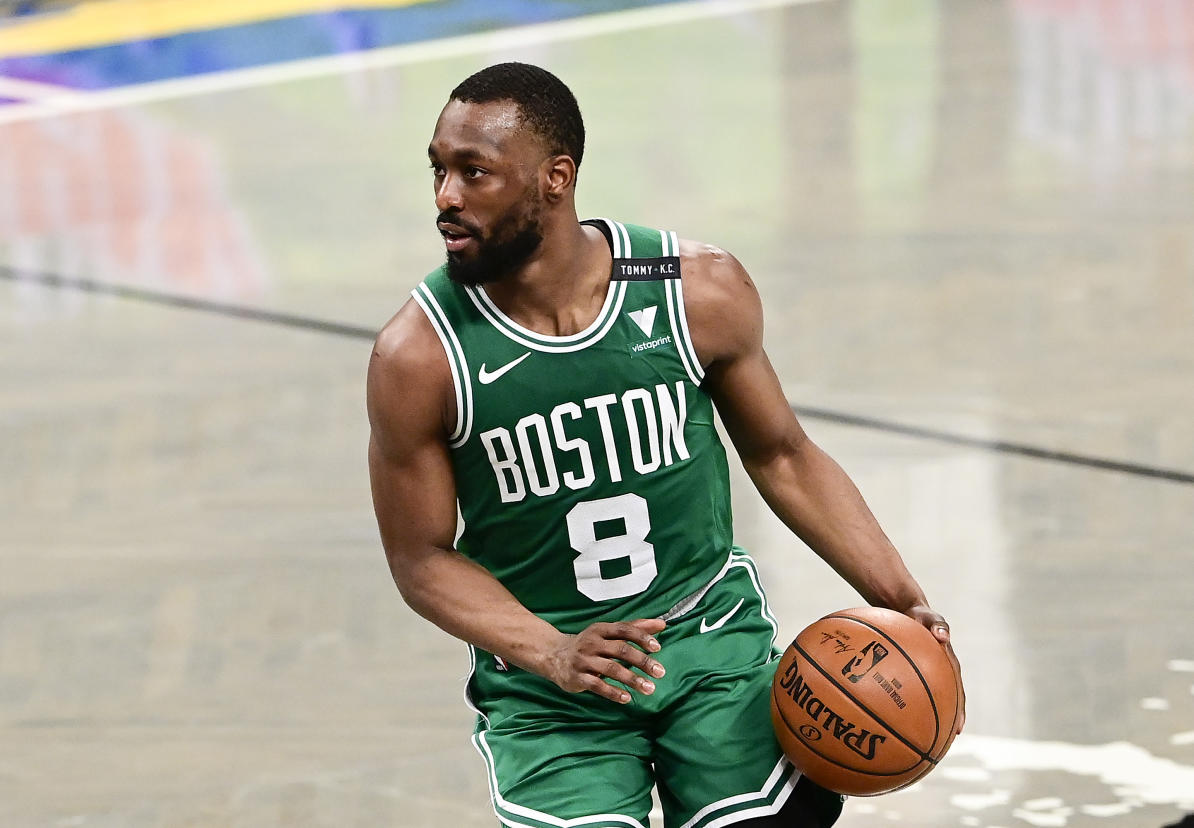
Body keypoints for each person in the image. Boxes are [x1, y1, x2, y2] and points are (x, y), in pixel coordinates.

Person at [367, 62, 965, 828]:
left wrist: (899, 595)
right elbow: (421, 557)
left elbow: (782, 454)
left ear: (556, 178)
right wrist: (551, 651)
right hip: (552, 689)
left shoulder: (695, 291)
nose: (446, 198)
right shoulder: (418, 356)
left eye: (474, 173)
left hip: (708, 638)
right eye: (439, 171)